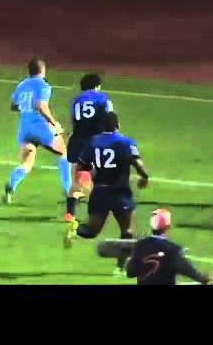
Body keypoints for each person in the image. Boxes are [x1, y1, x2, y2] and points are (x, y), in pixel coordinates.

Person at [64, 112, 149, 275]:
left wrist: (94, 173)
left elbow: (81, 165)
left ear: (102, 127)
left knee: (92, 230)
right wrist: (143, 176)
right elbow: (136, 161)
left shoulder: (93, 142)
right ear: (118, 125)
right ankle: (120, 267)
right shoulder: (125, 142)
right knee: (127, 230)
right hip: (120, 192)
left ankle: (75, 230)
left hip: (100, 191)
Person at [4, 57, 70, 204]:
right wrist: (55, 124)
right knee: (63, 152)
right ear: (42, 70)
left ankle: (11, 185)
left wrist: (25, 108)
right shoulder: (43, 85)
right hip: (40, 127)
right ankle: (68, 190)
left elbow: (12, 106)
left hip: (24, 128)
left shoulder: (21, 85)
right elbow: (41, 106)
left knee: (26, 164)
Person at [64, 73, 114, 222]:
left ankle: (70, 214)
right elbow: (110, 119)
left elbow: (74, 121)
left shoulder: (76, 101)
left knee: (75, 181)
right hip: (95, 142)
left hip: (76, 141)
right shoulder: (103, 99)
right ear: (97, 86)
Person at [124, 209, 213, 285]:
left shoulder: (140, 245)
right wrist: (204, 278)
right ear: (167, 227)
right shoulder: (172, 249)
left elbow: (130, 272)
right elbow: (186, 269)